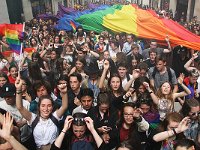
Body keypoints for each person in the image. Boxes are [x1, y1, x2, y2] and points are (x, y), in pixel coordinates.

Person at [15, 76, 68, 149]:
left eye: (49, 105)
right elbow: (19, 107)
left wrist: (64, 92)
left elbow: (64, 106)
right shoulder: (33, 118)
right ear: (39, 107)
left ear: (52, 107)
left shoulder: (55, 116)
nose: (46, 109)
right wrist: (18, 89)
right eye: (43, 106)